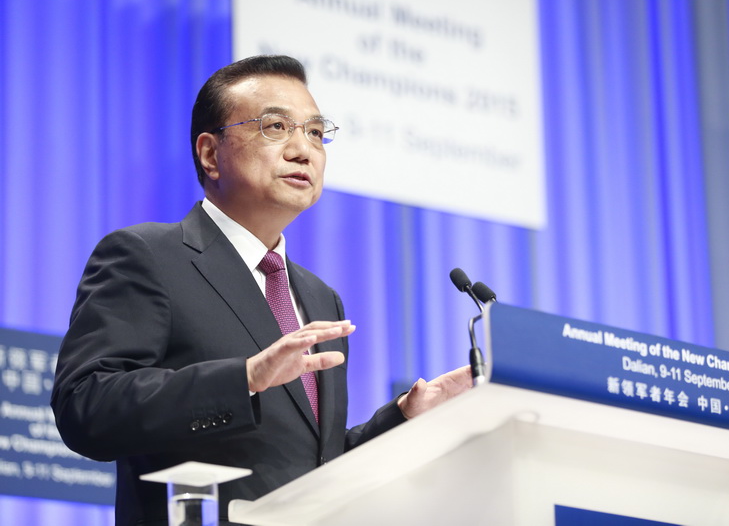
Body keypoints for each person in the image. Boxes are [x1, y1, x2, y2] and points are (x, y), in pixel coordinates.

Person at [50, 55, 472, 526]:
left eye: (316, 132)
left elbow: (313, 466)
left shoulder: (319, 296)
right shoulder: (148, 256)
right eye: (276, 127)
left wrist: (404, 418)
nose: (303, 150)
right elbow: (86, 407)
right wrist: (244, 379)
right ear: (210, 155)